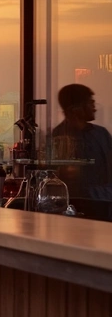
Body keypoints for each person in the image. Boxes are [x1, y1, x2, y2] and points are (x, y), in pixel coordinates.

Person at [51, 83, 112, 218]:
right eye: (90, 103)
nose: (94, 108)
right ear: (77, 108)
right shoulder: (59, 137)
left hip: (104, 209)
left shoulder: (101, 134)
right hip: (73, 211)